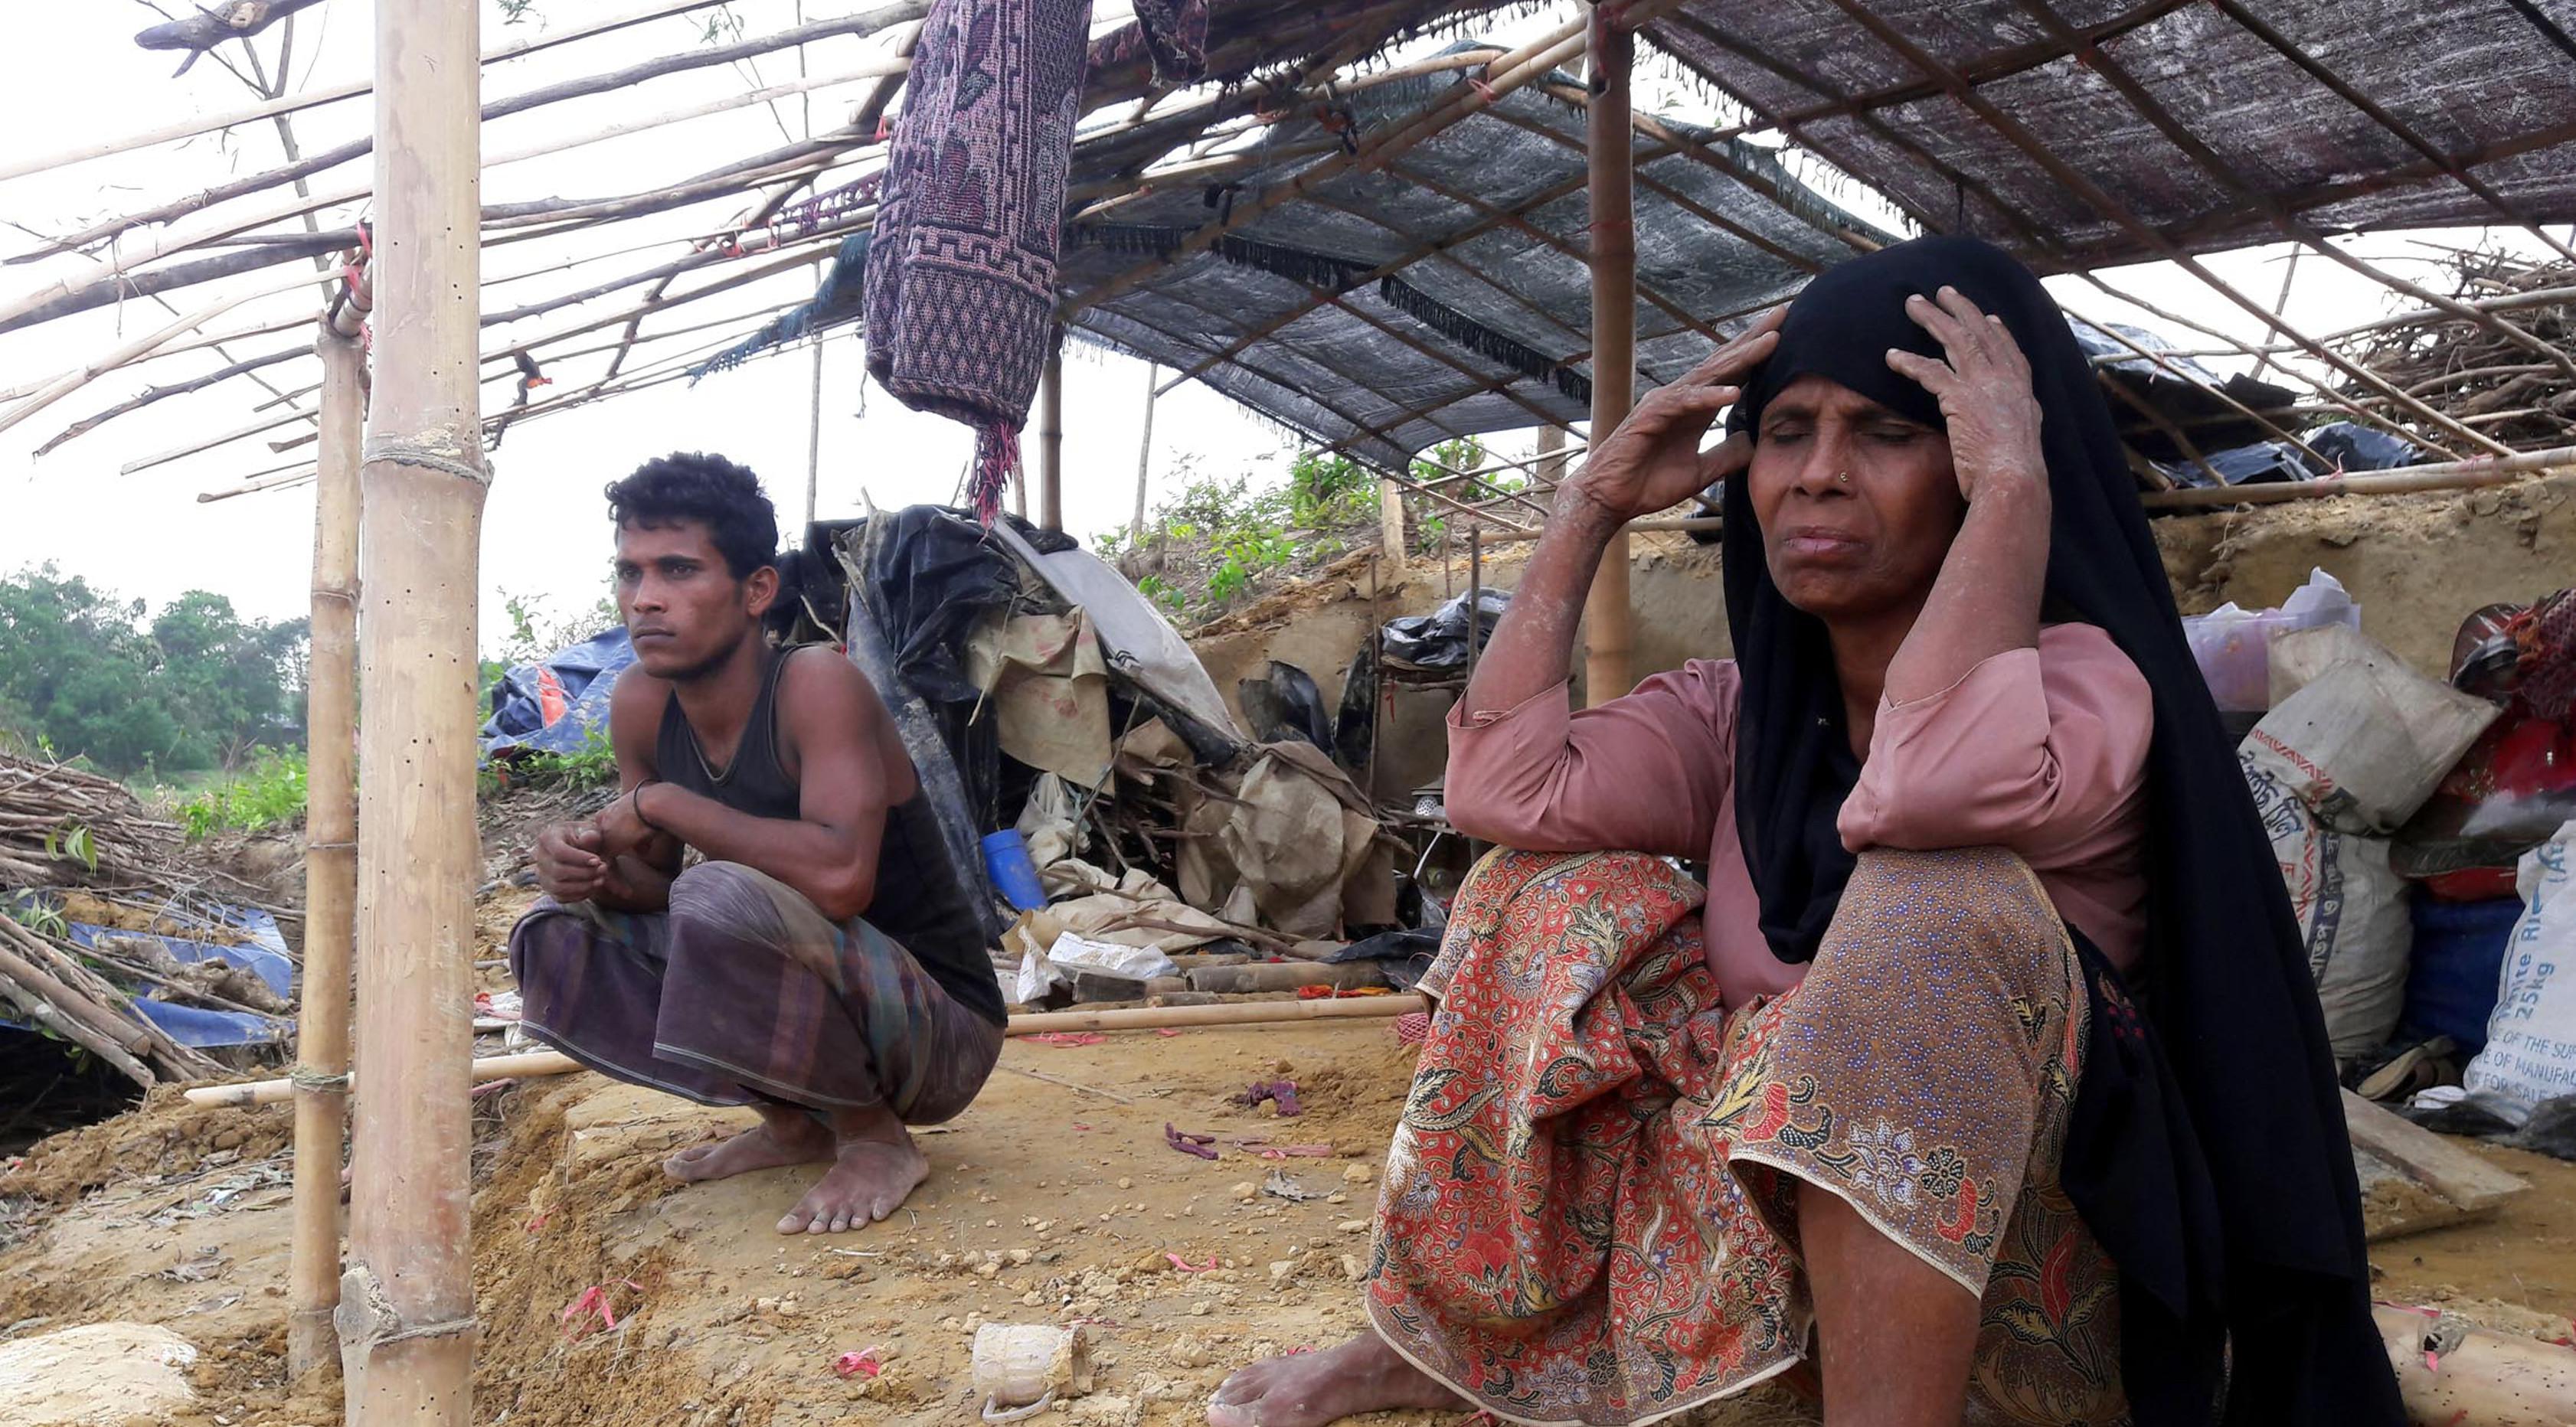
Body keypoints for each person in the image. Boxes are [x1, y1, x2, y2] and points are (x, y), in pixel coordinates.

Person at [1208, 237, 2401, 1426]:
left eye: (1887, 434)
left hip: (2038, 1291)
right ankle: (1454, 1342)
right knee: (1543, 894)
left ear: (1981, 466)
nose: (1819, 476)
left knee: (1924, 913)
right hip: (1768, 1248)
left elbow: (1914, 800)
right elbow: (1502, 793)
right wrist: (1589, 508)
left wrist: (2021, 492)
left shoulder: (2087, 691)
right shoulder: (1745, 718)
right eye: (1788, 432)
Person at [508, 452, 1007, 1236]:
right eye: (630, 574)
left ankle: (877, 1138)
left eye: (678, 571)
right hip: (830, 1000)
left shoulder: (816, 683)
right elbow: (650, 886)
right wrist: (589, 870)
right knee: (557, 926)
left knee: (718, 893)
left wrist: (665, 802)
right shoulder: (640, 702)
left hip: (940, 1033)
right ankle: (795, 1122)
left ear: (756, 590)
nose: (645, 600)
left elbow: (841, 879)